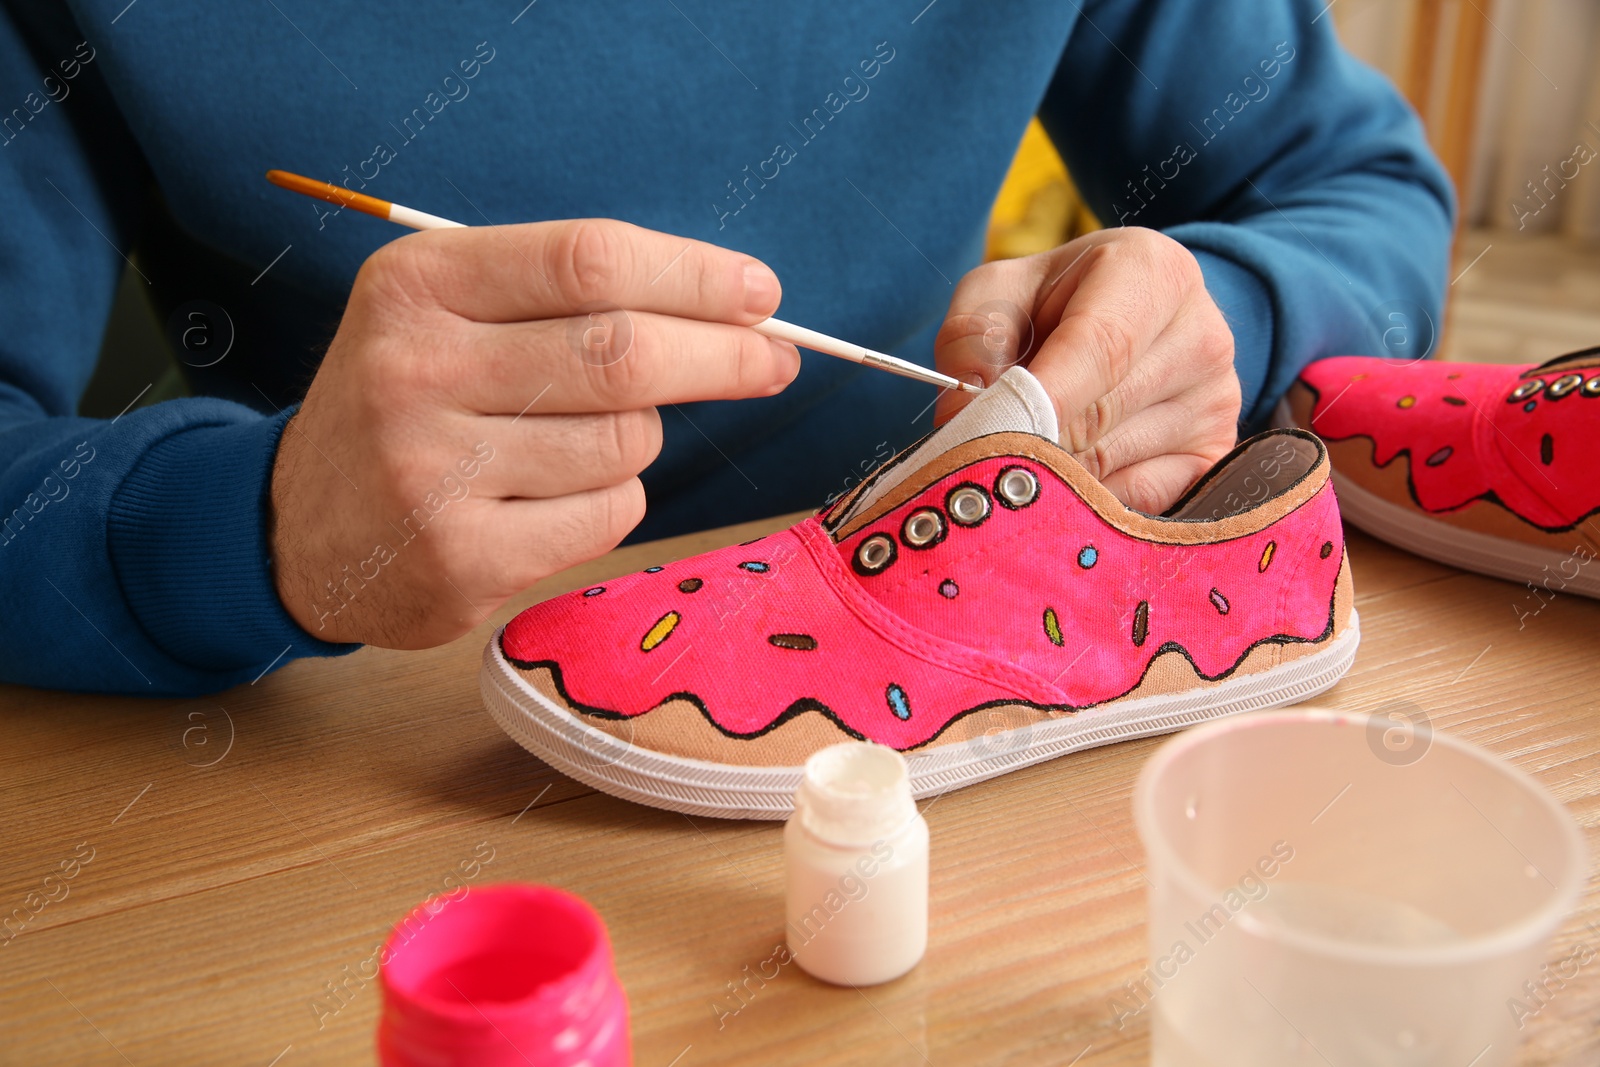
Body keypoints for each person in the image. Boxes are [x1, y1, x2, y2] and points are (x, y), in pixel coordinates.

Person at [0, 0, 1452, 695]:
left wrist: (1228, 310)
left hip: (967, 699)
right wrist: (255, 530)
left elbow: (1367, 201)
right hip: (371, 741)